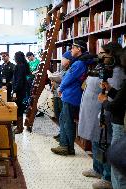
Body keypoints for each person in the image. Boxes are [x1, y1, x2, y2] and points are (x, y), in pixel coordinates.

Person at [79, 42, 125, 189]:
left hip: (107, 113)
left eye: (102, 53)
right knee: (96, 139)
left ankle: (107, 177)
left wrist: (105, 104)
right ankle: (97, 169)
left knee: (106, 142)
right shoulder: (104, 67)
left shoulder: (117, 72)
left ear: (111, 55)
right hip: (97, 110)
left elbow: (117, 99)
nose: (99, 56)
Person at [51, 40, 94, 156]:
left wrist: (60, 88)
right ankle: (66, 145)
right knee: (65, 120)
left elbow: (69, 78)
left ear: (79, 49)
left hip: (71, 95)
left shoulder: (79, 63)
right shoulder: (80, 62)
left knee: (67, 122)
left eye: (72, 48)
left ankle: (66, 147)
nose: (71, 50)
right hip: (72, 94)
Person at [98, 47, 126, 189]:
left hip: (120, 123)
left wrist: (104, 100)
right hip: (118, 122)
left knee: (118, 167)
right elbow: (121, 99)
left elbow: (116, 106)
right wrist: (110, 89)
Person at [49, 51, 75, 140]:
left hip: (62, 95)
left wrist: (53, 78)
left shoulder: (70, 69)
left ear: (68, 60)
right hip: (56, 93)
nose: (61, 61)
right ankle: (61, 132)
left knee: (62, 116)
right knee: (58, 114)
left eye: (63, 59)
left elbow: (62, 79)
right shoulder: (62, 69)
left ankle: (64, 136)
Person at [13, 51, 30, 134]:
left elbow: (18, 81)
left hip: (19, 91)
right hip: (23, 90)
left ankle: (19, 128)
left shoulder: (19, 66)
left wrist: (14, 91)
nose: (14, 59)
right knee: (20, 108)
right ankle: (19, 127)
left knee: (19, 109)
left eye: (15, 57)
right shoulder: (24, 65)